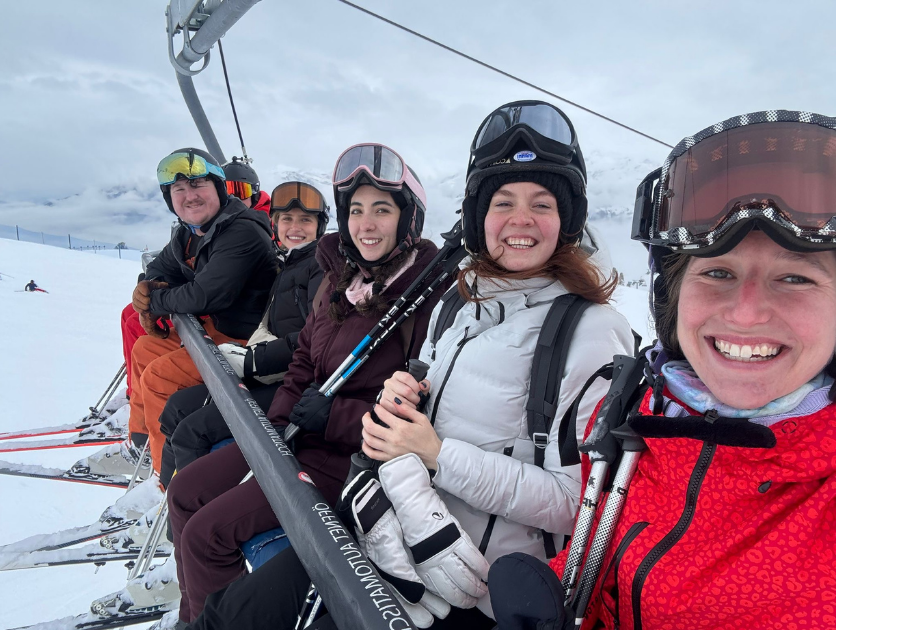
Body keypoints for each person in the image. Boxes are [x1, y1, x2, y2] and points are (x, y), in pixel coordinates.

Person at [182, 100, 637, 630]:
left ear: (568, 219)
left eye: (541, 203)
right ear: (479, 217)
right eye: (503, 202)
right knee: (228, 614)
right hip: (389, 524)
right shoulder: (462, 302)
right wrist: (402, 400)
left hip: (471, 582)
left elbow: (577, 504)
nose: (520, 219)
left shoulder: (591, 330)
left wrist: (436, 453)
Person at [490, 110, 837, 630]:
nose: (746, 313)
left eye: (795, 278)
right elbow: (606, 556)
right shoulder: (638, 417)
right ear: (669, 300)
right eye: (717, 272)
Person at [165, 143, 451, 624]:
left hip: (350, 461)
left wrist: (335, 417)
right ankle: (191, 613)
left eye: (382, 210)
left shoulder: (425, 298)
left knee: (205, 537)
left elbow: (422, 413)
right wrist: (280, 423)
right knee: (185, 492)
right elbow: (302, 360)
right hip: (296, 437)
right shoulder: (341, 281)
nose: (366, 224)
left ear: (408, 219)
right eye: (356, 210)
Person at [154, 181, 331, 489]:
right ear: (275, 224)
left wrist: (253, 360)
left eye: (305, 220)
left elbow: (315, 339)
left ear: (319, 227)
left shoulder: (321, 267)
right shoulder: (289, 261)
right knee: (177, 407)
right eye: (287, 219)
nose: (295, 227)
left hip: (296, 382)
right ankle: (164, 495)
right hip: (275, 372)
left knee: (192, 432)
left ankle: (189, 511)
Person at [115, 147, 278, 481]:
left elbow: (205, 294)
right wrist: (147, 287)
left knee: (160, 378)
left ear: (218, 188)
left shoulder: (242, 231)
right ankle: (143, 440)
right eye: (178, 189)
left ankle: (168, 482)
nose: (189, 196)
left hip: (245, 340)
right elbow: (160, 269)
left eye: (198, 184)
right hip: (216, 330)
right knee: (144, 349)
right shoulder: (189, 232)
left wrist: (155, 301)